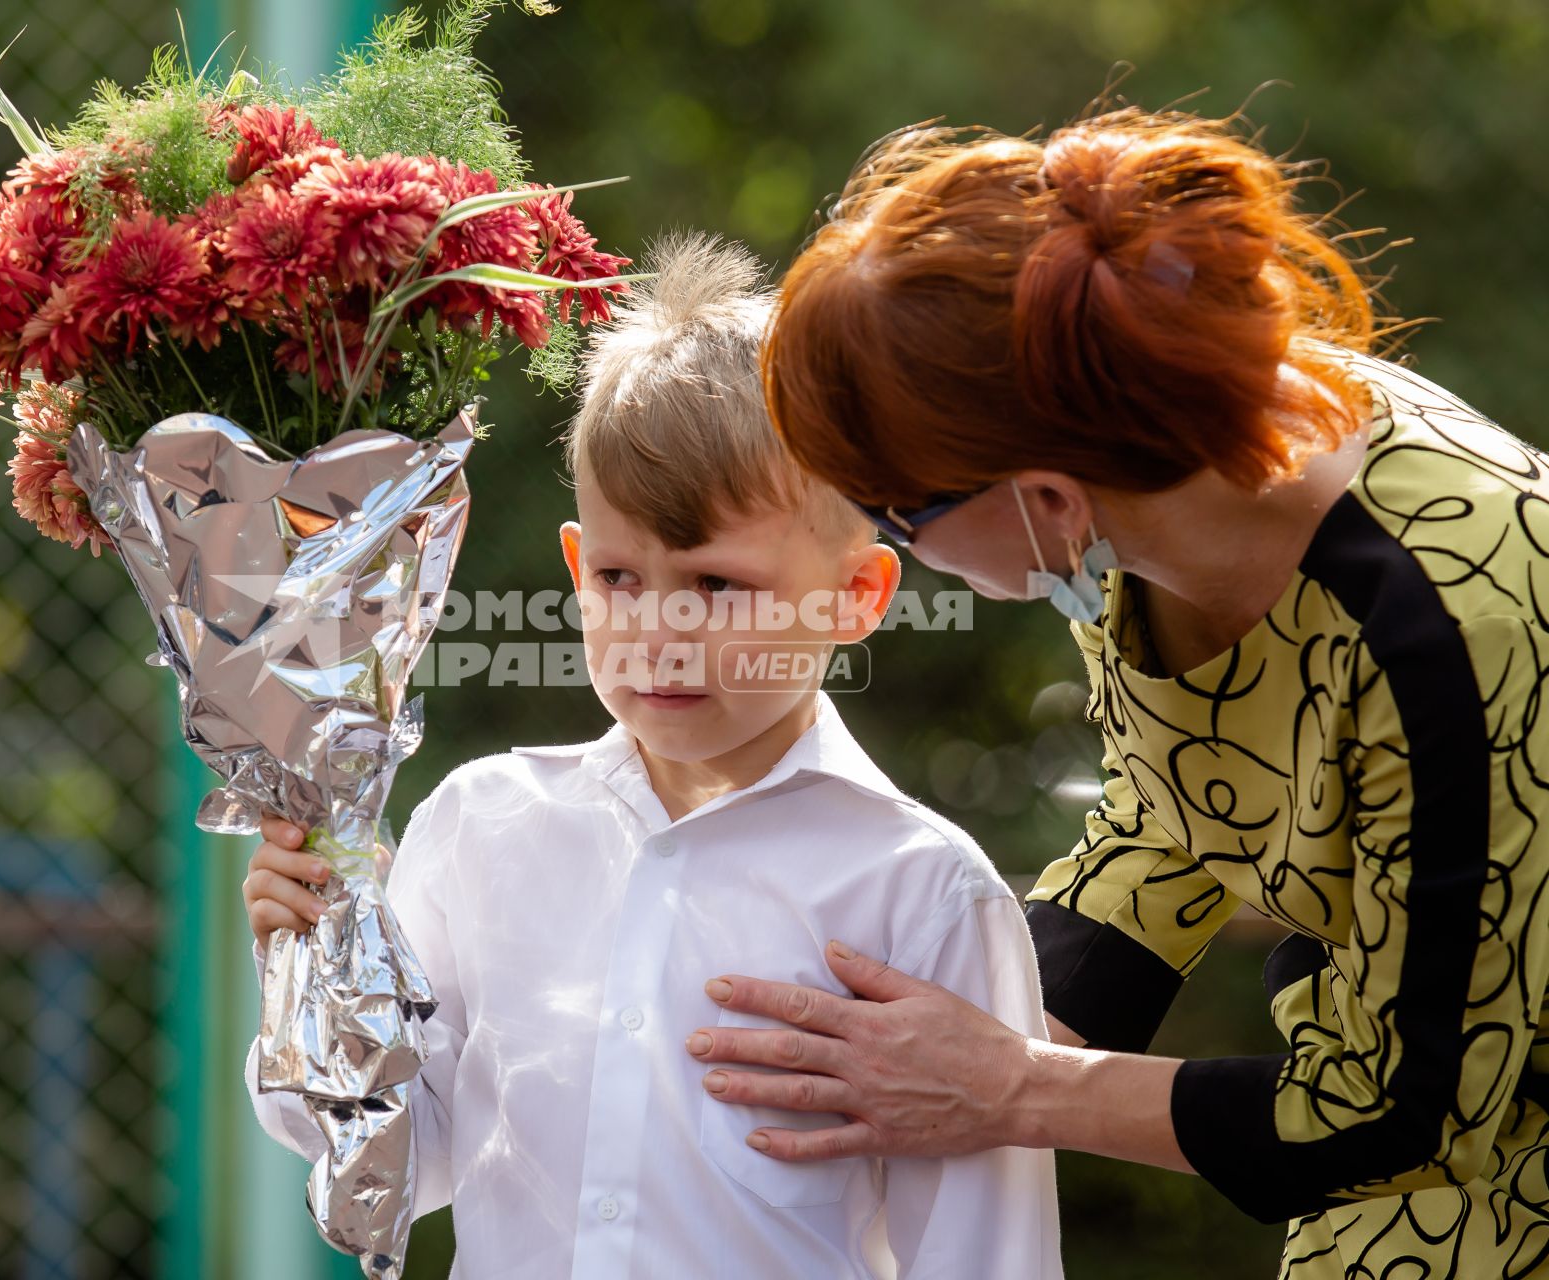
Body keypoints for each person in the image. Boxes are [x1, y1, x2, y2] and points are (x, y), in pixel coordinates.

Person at [687, 106, 1549, 1277]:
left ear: (1045, 496)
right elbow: (1177, 811)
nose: (886, 546)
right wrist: (986, 1026)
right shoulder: (1146, 478)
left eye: (896, 515)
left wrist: (1009, 1084)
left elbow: (1405, 1112)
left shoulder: (1452, 627)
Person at [242, 234, 1063, 1278]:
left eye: (720, 584)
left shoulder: (924, 891)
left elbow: (988, 1258)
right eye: (624, 578)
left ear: (858, 595)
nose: (661, 626)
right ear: (578, 568)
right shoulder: (479, 823)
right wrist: (312, 960)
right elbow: (396, 1163)